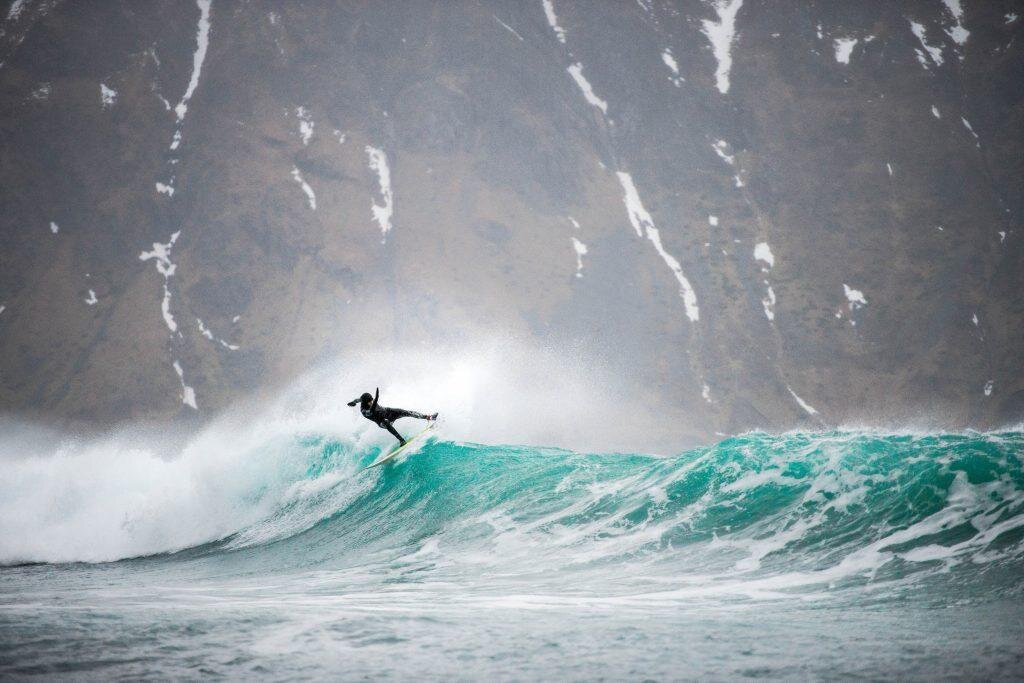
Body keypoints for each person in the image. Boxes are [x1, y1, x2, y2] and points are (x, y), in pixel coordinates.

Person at [347, 388, 437, 446]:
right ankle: (401, 440)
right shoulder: (363, 411)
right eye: (370, 402)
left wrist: (353, 402)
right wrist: (376, 399)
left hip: (387, 412)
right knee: (386, 423)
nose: (371, 402)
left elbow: (357, 400)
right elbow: (371, 411)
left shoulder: (363, 399)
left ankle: (428, 417)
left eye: (372, 400)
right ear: (365, 403)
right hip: (381, 421)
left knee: (405, 412)